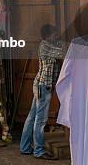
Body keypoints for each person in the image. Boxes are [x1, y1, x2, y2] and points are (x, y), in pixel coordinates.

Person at [20, 24, 64, 160]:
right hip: (43, 87)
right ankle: (38, 150)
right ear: (47, 36)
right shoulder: (45, 46)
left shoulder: (51, 44)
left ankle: (25, 147)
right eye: (53, 34)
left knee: (32, 117)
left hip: (40, 86)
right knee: (40, 120)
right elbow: (62, 53)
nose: (56, 36)